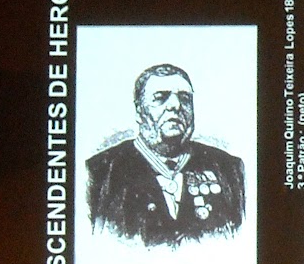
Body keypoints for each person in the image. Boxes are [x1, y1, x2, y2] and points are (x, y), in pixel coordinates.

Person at [85, 63, 245, 245]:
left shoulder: (228, 169)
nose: (176, 105)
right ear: (139, 111)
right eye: (160, 98)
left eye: (185, 98)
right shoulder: (100, 172)